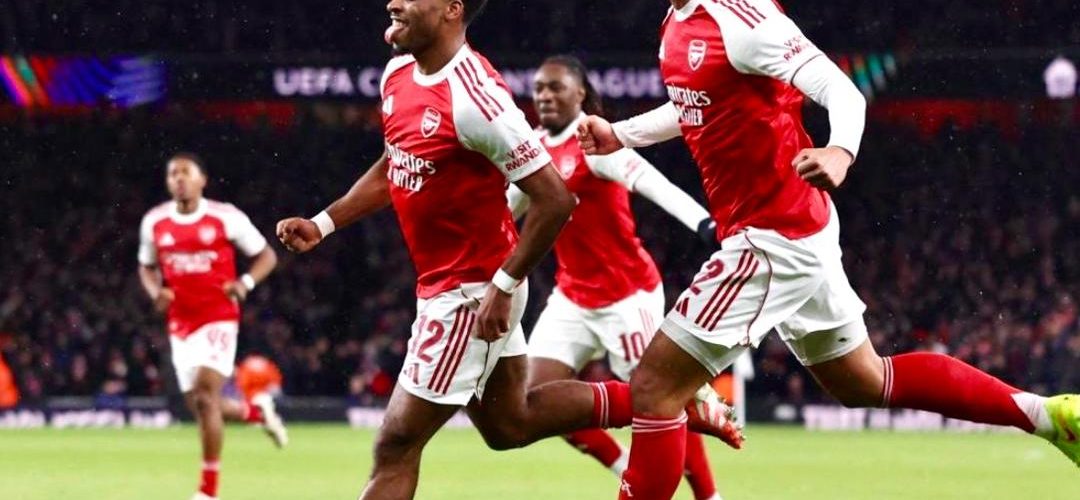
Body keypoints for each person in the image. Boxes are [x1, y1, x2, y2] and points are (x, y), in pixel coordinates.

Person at [577, 0, 1080, 497]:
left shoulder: (743, 18)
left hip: (772, 236)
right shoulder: (676, 21)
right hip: (794, 227)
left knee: (655, 387)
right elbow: (695, 103)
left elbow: (841, 91)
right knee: (864, 380)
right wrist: (621, 134)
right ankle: (1049, 416)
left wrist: (841, 149)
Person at [275, 1, 740, 498]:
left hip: (471, 291)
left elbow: (555, 199)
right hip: (469, 284)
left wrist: (502, 283)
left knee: (396, 444)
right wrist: (324, 222)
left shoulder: (478, 99)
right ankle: (670, 401)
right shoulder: (398, 74)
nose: (394, 2)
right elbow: (396, 163)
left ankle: (674, 421)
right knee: (509, 423)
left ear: (452, 10)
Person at [513, 55, 726, 499]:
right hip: (572, 298)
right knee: (535, 401)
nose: (545, 96)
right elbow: (505, 210)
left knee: (662, 401)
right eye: (539, 88)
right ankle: (623, 463)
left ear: (581, 94)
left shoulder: (593, 144)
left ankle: (709, 496)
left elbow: (652, 183)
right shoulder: (533, 151)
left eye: (556, 87)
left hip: (627, 298)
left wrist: (705, 223)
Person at [137, 153, 288, 500]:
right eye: (173, 174)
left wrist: (245, 283)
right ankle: (256, 413)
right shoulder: (155, 222)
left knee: (206, 396)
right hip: (180, 323)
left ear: (202, 180)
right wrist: (156, 291)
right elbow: (146, 266)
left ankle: (207, 491)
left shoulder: (225, 217)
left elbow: (267, 255)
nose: (179, 179)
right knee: (203, 406)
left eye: (186, 173)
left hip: (218, 316)